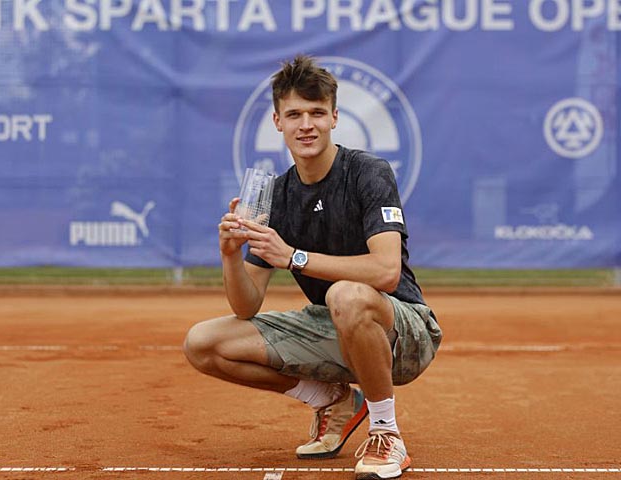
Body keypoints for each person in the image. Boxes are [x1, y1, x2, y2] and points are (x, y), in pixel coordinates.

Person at [183, 54, 442, 480]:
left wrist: (294, 257)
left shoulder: (368, 172)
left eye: (317, 113)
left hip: (404, 331)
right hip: (333, 326)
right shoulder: (276, 195)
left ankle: (386, 432)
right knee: (202, 343)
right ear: (277, 121)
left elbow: (386, 272)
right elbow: (246, 306)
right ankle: (332, 400)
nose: (307, 125)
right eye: (294, 114)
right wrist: (230, 254)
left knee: (346, 294)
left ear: (335, 117)